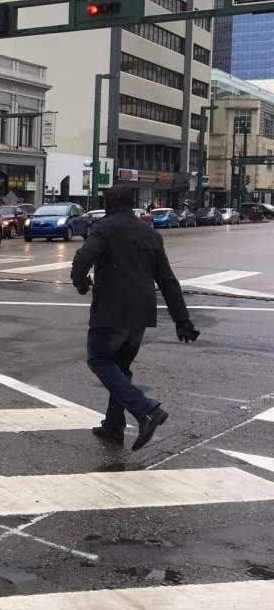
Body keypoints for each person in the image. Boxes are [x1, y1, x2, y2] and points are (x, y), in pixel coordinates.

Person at [71, 186, 199, 451]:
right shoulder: (150, 234)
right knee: (121, 368)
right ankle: (113, 428)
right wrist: (182, 320)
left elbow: (83, 259)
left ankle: (145, 410)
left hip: (111, 311)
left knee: (99, 360)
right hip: (142, 313)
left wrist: (81, 281)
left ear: (110, 204)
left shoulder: (104, 228)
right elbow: (167, 281)